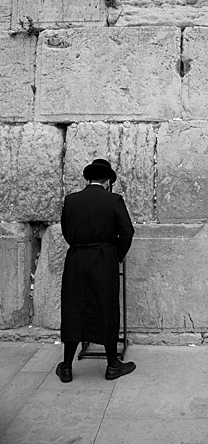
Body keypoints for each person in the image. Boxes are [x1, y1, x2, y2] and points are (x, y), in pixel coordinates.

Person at [56, 158, 136, 383]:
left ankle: (66, 367)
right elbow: (127, 233)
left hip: (76, 259)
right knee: (106, 306)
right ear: (108, 180)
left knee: (73, 307)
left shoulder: (71, 201)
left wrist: (79, 246)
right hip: (104, 259)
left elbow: (66, 230)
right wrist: (115, 255)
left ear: (88, 178)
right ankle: (112, 365)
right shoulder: (113, 200)